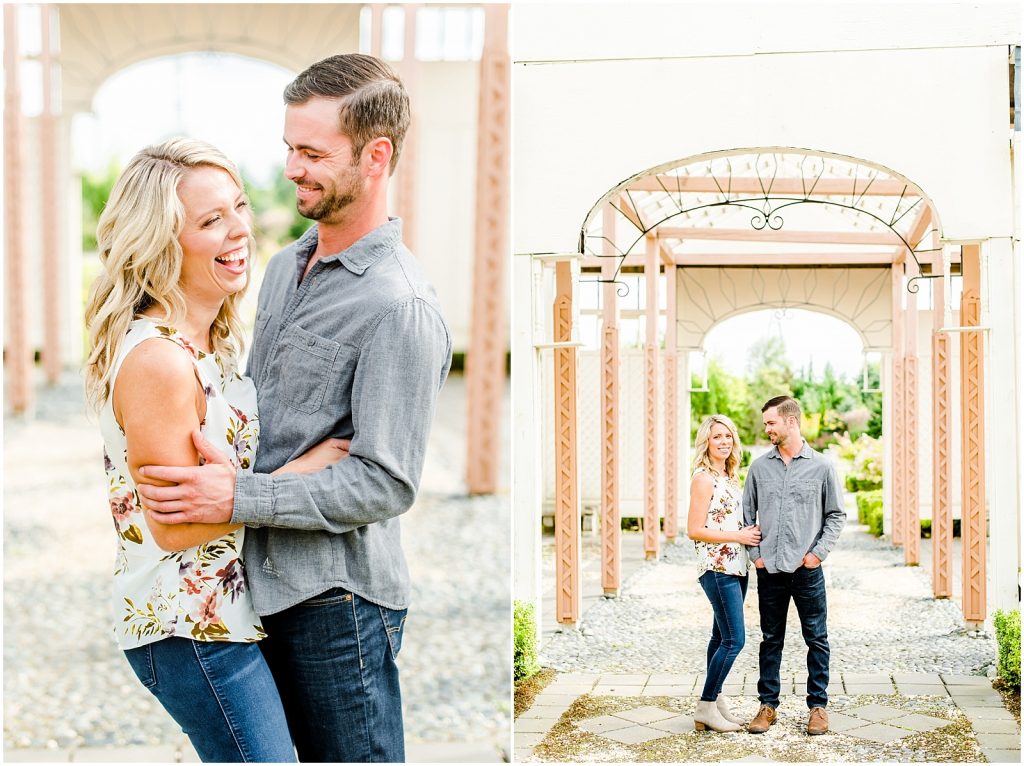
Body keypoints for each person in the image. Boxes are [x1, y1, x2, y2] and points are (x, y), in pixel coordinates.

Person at [135, 54, 452, 763]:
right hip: (263, 592)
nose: (291, 168)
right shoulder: (284, 268)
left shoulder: (398, 306)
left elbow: (385, 481)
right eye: (289, 147)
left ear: (376, 157)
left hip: (338, 607)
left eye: (312, 153)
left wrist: (240, 494)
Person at [83, 138, 350, 762]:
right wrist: (303, 472)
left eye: (238, 207)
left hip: (224, 618)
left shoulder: (211, 347)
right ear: (160, 245)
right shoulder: (161, 363)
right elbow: (175, 529)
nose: (238, 231)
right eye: (210, 221)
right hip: (187, 628)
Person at [743, 395, 846, 736]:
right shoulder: (759, 468)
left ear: (790, 421)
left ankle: (818, 707)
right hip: (769, 570)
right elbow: (747, 516)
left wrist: (817, 554)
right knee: (771, 639)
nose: (767, 428)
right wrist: (755, 558)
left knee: (816, 638)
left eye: (771, 422)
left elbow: (836, 514)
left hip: (807, 570)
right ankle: (767, 705)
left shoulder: (822, 466)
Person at [686, 414, 760, 733]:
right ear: (707, 441)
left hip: (736, 566)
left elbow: (727, 520)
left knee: (719, 637)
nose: (724, 441)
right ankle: (705, 705)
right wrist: (739, 537)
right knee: (734, 639)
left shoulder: (728, 476)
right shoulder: (703, 478)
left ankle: (714, 702)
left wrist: (747, 533)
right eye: (717, 436)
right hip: (717, 568)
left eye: (728, 436)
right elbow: (694, 529)